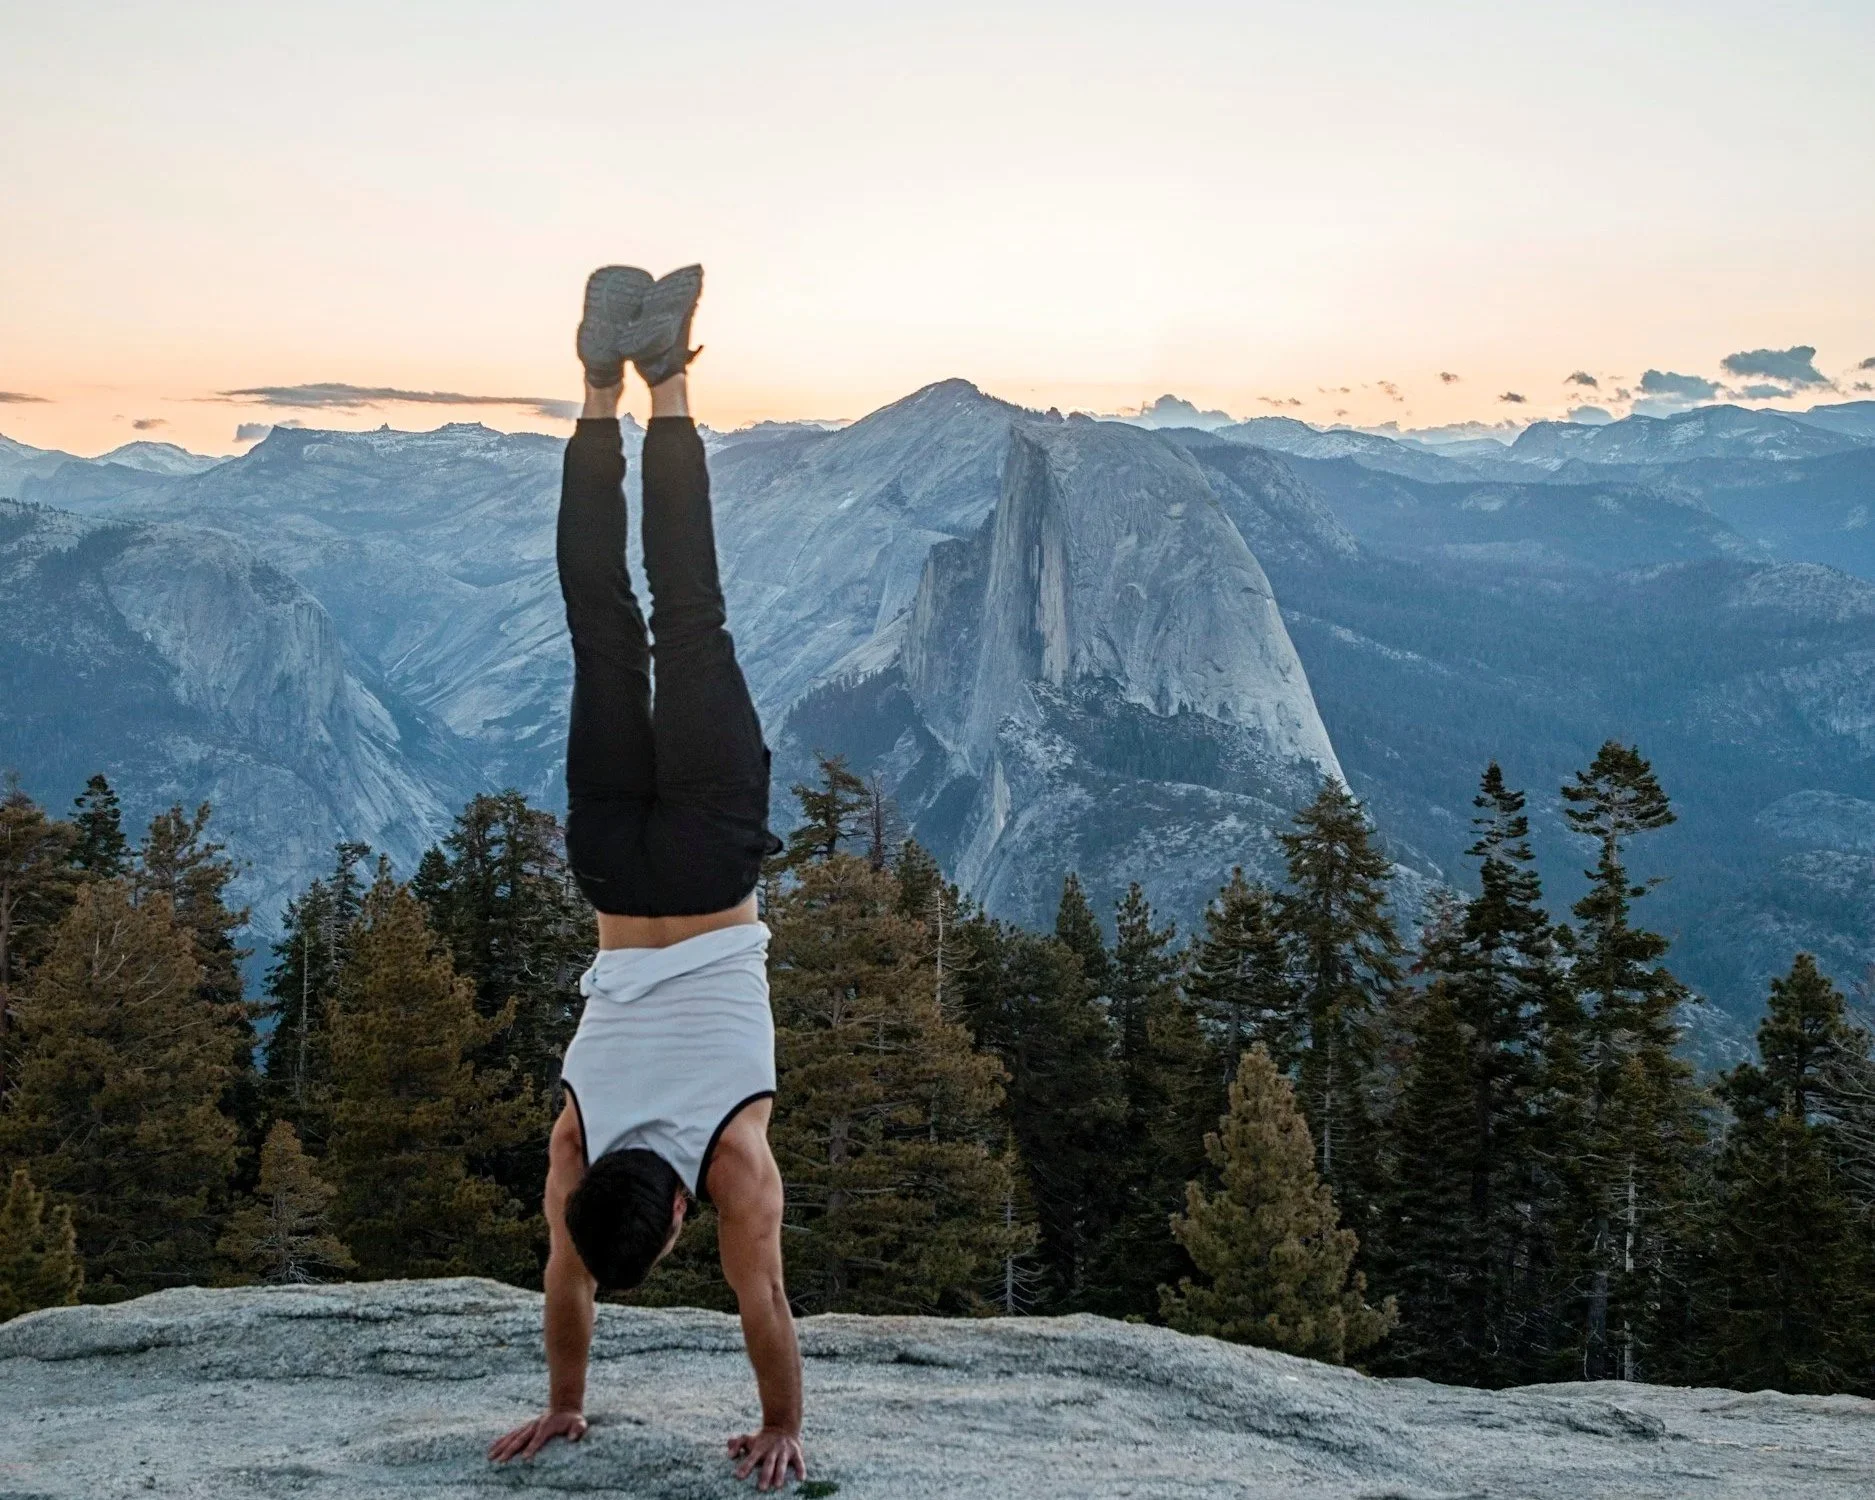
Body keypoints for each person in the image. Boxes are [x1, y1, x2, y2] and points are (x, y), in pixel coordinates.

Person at [487, 266, 806, 1492]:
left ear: (677, 1217)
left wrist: (782, 1426)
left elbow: (764, 1303)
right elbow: (566, 1278)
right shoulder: (574, 1146)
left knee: (692, 617)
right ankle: (596, 387)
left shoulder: (731, 1165)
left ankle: (665, 378)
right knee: (604, 620)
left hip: (717, 862)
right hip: (614, 869)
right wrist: (559, 1399)